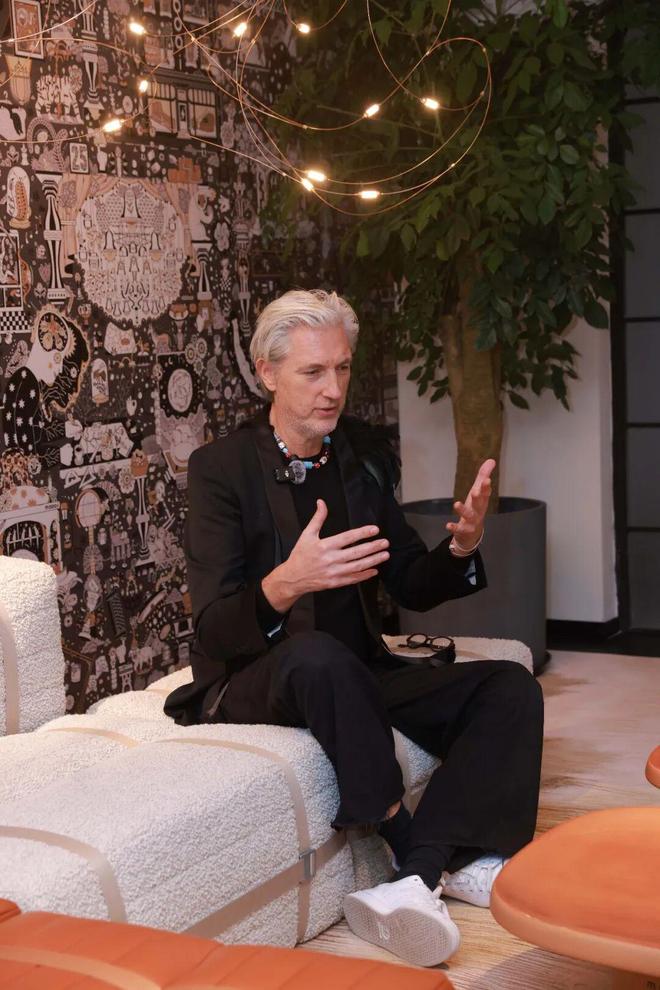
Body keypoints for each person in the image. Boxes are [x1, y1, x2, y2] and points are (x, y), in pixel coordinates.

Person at [165, 289, 544, 968]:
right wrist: (288, 582)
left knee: (510, 687)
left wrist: (461, 547)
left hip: (355, 668)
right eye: (313, 372)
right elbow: (215, 630)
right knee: (315, 655)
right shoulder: (221, 470)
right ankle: (419, 851)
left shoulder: (356, 461)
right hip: (256, 676)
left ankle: (420, 873)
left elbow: (409, 582)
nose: (333, 388)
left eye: (341, 368)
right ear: (267, 372)